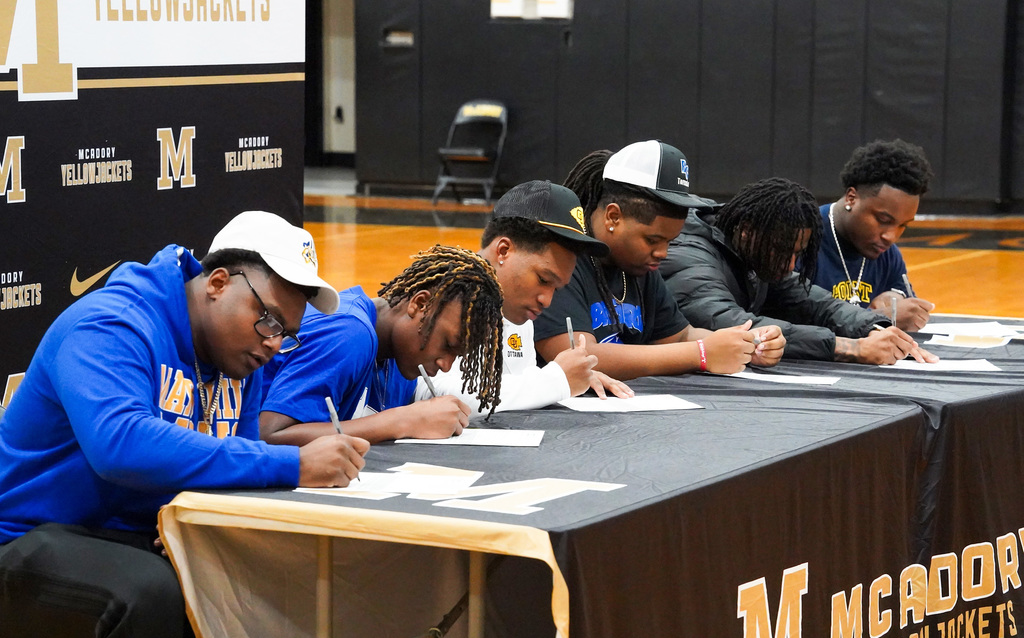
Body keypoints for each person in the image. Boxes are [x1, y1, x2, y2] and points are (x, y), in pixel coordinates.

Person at [0, 210, 370, 638]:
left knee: (270, 579)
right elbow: (120, 443)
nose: (275, 344)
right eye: (268, 321)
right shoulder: (112, 323)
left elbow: (234, 469)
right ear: (218, 282)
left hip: (121, 539)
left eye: (286, 332)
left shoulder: (242, 363)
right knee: (151, 593)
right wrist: (295, 463)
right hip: (20, 544)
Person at [534, 139, 781, 379]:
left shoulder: (638, 266)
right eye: (652, 240)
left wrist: (747, 344)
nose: (662, 253)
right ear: (613, 217)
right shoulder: (562, 255)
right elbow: (576, 357)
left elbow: (680, 337)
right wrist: (702, 354)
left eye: (669, 241)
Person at [660, 177, 938, 364]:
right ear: (746, 232)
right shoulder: (689, 255)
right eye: (783, 251)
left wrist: (876, 329)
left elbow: (813, 302)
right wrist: (849, 348)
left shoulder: (751, 247)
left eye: (796, 253)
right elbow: (729, 324)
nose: (790, 264)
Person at [415, 180, 634, 413]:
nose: (547, 300)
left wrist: (575, 378)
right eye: (543, 279)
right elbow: (433, 392)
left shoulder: (514, 307)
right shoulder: (447, 295)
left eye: (556, 288)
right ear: (504, 251)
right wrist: (556, 380)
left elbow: (517, 388)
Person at [259, 245, 505, 445]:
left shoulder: (402, 361)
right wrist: (402, 421)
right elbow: (269, 435)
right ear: (420, 304)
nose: (446, 364)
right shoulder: (349, 334)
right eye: (448, 345)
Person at [809, 139, 935, 332]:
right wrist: (875, 318)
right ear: (852, 198)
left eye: (903, 225)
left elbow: (901, 294)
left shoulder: (887, 254)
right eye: (883, 220)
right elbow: (784, 320)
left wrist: (896, 298)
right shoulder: (803, 237)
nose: (891, 236)